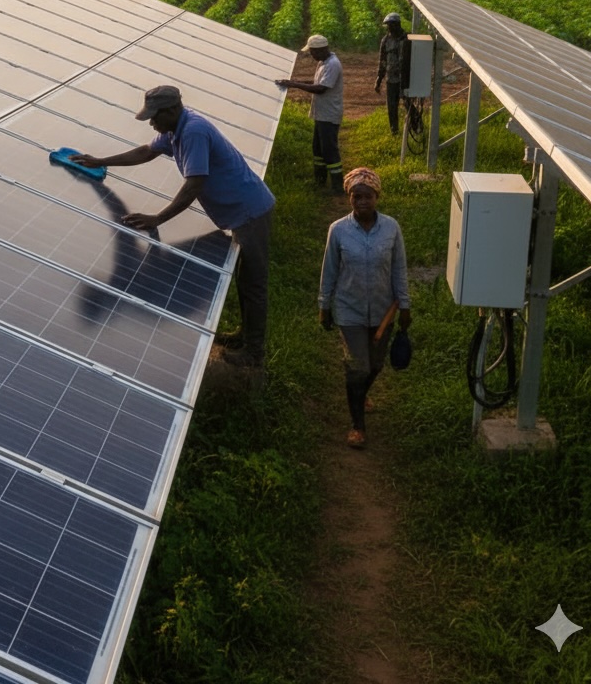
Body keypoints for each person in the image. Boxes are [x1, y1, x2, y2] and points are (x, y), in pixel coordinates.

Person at [73, 85, 275, 368]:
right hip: (238, 213)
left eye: (154, 117)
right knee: (245, 280)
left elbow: (194, 184)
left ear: (171, 110)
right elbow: (145, 152)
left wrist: (158, 219)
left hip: (249, 211)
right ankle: (245, 335)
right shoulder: (174, 130)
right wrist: (101, 161)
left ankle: (254, 353)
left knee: (252, 283)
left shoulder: (192, 132)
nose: (152, 123)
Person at [318, 167, 411, 448]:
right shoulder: (338, 231)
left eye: (367, 196)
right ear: (349, 198)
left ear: (377, 196)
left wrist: (405, 305)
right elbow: (329, 271)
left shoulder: (391, 229)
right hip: (350, 310)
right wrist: (324, 305)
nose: (361, 202)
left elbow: (399, 269)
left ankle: (360, 395)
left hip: (384, 311)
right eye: (355, 196)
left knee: (376, 365)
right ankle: (357, 425)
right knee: (358, 367)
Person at [275, 33, 345, 194]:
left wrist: (295, 84)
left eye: (312, 52)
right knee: (318, 149)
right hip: (321, 114)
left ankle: (337, 187)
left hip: (329, 114)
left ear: (321, 49)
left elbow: (321, 89)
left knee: (329, 150)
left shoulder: (332, 65)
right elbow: (316, 83)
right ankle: (319, 181)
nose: (311, 55)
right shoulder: (323, 62)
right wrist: (294, 82)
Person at [375, 13, 409, 135]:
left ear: (397, 25)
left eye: (390, 25)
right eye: (387, 26)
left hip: (406, 79)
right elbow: (382, 61)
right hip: (391, 80)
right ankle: (394, 131)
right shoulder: (386, 40)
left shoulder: (407, 39)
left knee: (409, 105)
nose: (388, 28)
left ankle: (415, 127)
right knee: (392, 107)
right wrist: (379, 80)